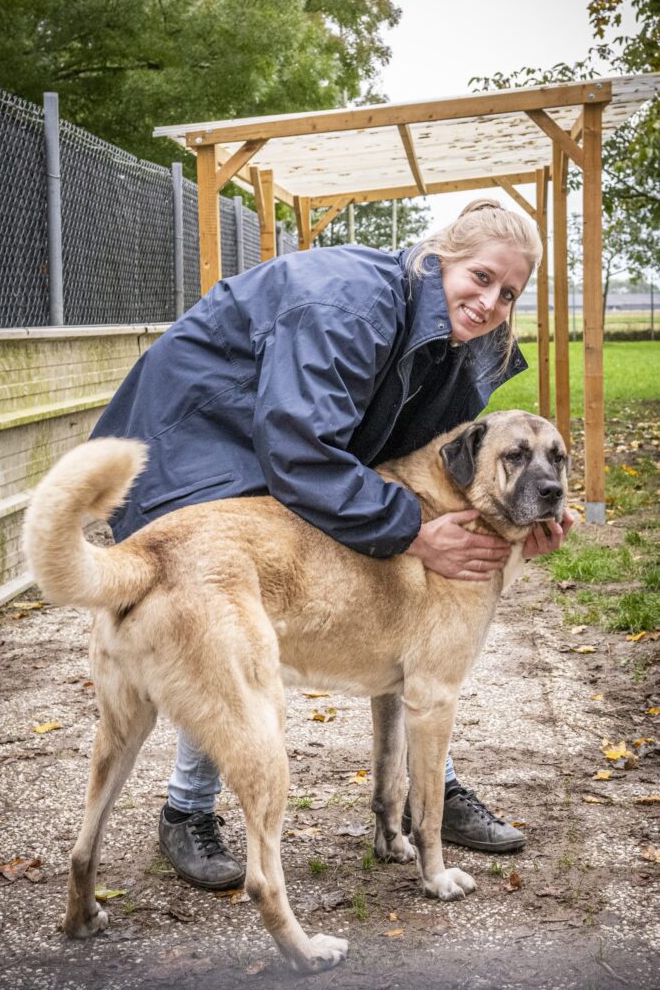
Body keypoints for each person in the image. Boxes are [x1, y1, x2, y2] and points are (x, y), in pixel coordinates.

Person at [91, 198, 574, 890]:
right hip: (195, 443)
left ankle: (426, 788)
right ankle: (187, 809)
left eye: (509, 292)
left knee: (413, 644)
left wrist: (523, 510)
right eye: (480, 277)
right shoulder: (345, 302)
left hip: (272, 447)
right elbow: (299, 447)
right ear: (439, 255)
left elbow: (435, 455)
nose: (492, 301)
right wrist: (410, 528)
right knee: (224, 621)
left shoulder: (459, 334)